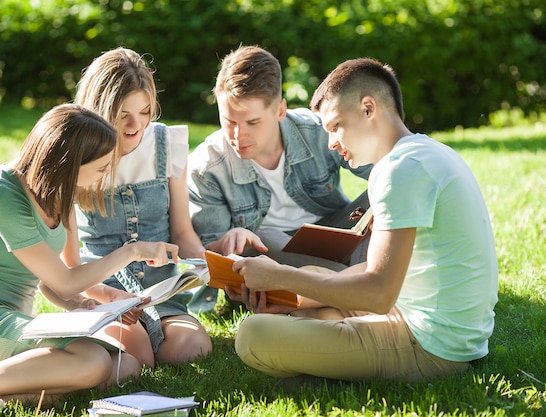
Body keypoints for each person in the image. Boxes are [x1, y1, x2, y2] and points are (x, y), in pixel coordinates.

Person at [230, 58, 499, 383]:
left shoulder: (398, 172)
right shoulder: (425, 153)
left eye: (335, 126)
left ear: (368, 108)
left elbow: (378, 294)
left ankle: (334, 357)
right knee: (312, 278)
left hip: (430, 345)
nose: (331, 143)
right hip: (439, 327)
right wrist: (293, 293)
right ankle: (329, 335)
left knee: (252, 335)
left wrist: (282, 277)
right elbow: (380, 274)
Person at [0, 103, 180, 417]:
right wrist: (132, 251)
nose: (106, 174)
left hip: (15, 327)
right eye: (101, 168)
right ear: (70, 162)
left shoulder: (61, 192)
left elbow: (66, 275)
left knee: (124, 367)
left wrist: (106, 300)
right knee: (94, 361)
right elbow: (63, 281)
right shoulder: (0, 193)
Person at [66, 47, 212, 364]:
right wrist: (106, 297)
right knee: (139, 357)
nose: (136, 125)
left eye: (145, 112)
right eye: (122, 115)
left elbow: (183, 233)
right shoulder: (76, 156)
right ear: (99, 110)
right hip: (105, 295)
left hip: (162, 293)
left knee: (192, 349)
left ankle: (155, 331)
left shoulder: (166, 144)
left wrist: (207, 265)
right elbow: (70, 267)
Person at [187, 45, 371, 272]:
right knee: (263, 237)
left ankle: (346, 281)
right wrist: (229, 239)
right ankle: (352, 283)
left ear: (280, 111)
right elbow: (207, 258)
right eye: (229, 122)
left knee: (384, 189)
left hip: (334, 235)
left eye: (253, 123)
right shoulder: (207, 169)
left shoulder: (318, 131)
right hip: (268, 255)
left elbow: (384, 166)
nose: (238, 135)